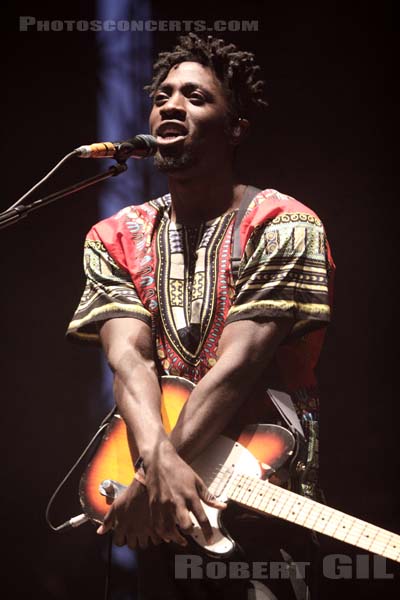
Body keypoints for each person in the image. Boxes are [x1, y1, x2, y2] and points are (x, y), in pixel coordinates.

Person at [67, 33, 335, 600]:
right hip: (162, 512)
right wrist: (156, 469)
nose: (171, 104)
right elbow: (128, 357)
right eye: (163, 94)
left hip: (263, 506)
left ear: (235, 127)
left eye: (195, 97)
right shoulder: (116, 236)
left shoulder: (283, 225)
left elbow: (239, 367)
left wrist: (145, 481)